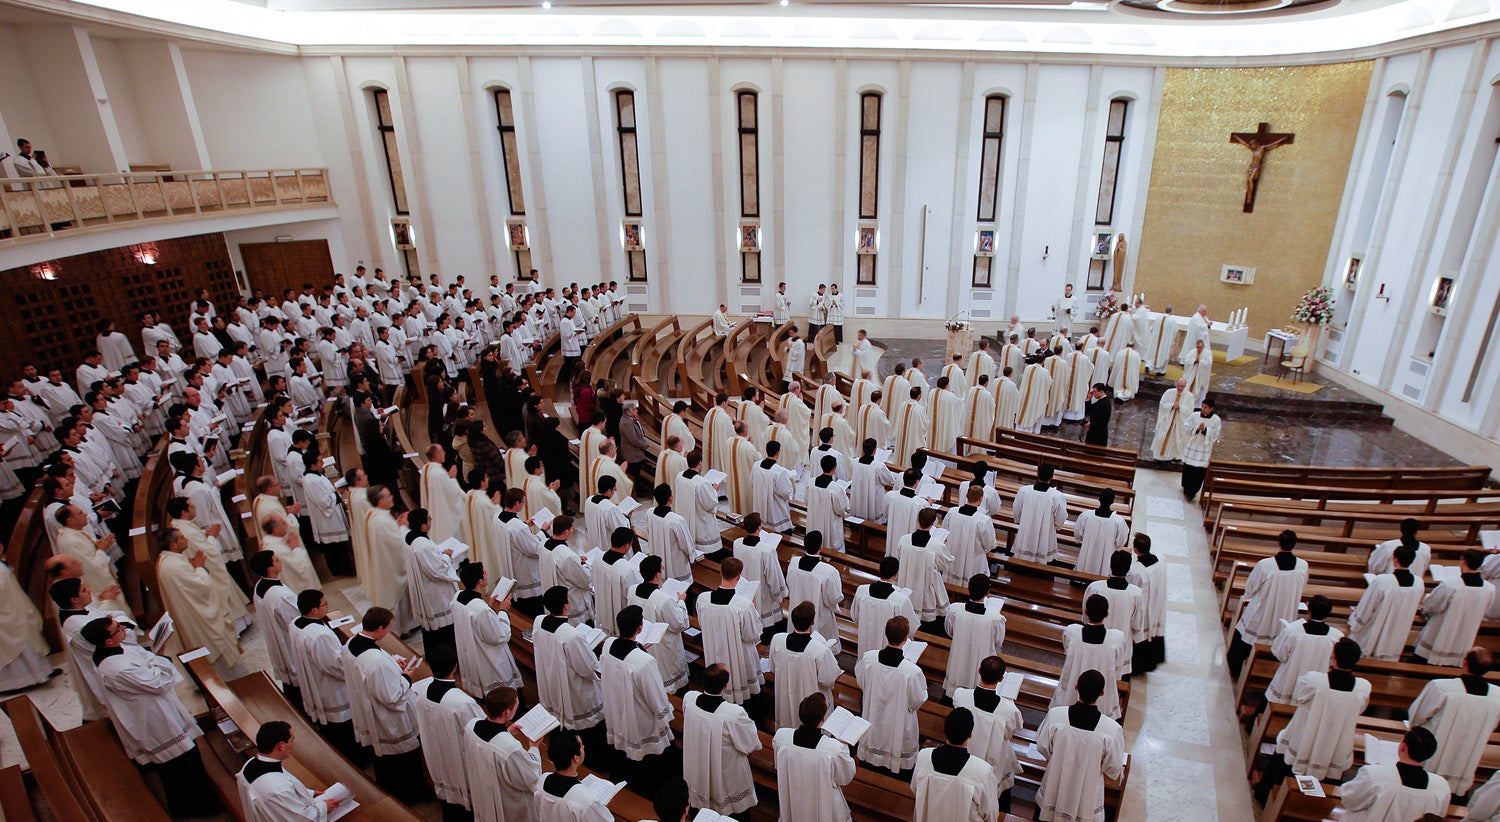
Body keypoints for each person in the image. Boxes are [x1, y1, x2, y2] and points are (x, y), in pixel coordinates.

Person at [80, 616, 220, 817]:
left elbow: (143, 656)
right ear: (108, 641)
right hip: (154, 720)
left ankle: (194, 804)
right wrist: (160, 657)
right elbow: (158, 681)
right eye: (117, 628)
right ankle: (198, 808)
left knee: (185, 760)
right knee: (181, 765)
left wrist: (152, 659)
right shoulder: (117, 668)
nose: (123, 629)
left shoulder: (112, 650)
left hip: (158, 710)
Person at [344, 607, 429, 803]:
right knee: (402, 760)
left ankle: (391, 787)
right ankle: (408, 796)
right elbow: (391, 696)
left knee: (385, 760)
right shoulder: (374, 661)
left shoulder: (352, 643)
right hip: (387, 719)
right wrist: (407, 677)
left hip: (368, 707)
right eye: (389, 628)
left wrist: (392, 662)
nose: (389, 631)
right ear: (380, 628)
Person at [1035, 670, 1126, 822]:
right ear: (1102, 693)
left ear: (1076, 687)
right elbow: (1113, 768)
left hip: (1055, 783)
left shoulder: (1056, 715)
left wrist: (1058, 758)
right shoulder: (1111, 729)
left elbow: (1043, 746)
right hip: (1087, 794)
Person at [601, 606, 675, 789]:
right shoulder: (644, 661)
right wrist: (665, 715)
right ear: (640, 629)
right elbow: (655, 696)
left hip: (617, 709)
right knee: (647, 764)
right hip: (639, 719)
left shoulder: (609, 644)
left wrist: (639, 648)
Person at [1409, 647, 1500, 794]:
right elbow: (1492, 726)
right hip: (1467, 758)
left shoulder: (1442, 687)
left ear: (1464, 662)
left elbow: (1417, 716)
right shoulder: (1497, 696)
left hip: (1432, 757)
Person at [156, 526, 245, 676]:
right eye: (182, 538)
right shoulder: (174, 565)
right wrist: (198, 568)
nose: (187, 539)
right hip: (198, 617)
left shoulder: (167, 559)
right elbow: (201, 586)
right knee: (218, 656)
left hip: (189, 613)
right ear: (173, 545)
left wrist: (192, 567)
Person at [286, 589, 362, 763]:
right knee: (343, 729)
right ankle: (353, 760)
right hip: (331, 689)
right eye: (324, 604)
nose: (327, 606)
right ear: (313, 610)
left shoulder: (296, 623)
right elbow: (335, 666)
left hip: (314, 680)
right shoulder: (319, 635)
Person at [410, 646, 484, 814]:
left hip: (438, 753)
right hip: (458, 756)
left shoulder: (423, 690)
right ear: (455, 667)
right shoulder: (461, 702)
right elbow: (477, 730)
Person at [532, 587, 606, 753]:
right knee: (587, 730)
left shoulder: (539, 621)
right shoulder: (571, 636)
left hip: (551, 681)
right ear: (566, 606)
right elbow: (587, 668)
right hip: (573, 690)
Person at [1227, 530, 1309, 679]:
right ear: (1294, 545)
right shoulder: (1303, 566)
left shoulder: (1265, 565)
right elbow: (1302, 586)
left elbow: (1251, 587)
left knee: (1244, 638)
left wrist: (1249, 596)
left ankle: (1236, 669)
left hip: (1263, 611)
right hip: (1286, 611)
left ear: (1278, 543)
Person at [855, 615, 928, 778]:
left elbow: (861, 682)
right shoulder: (911, 671)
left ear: (886, 634)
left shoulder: (869, 659)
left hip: (873, 718)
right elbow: (917, 701)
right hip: (898, 727)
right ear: (906, 637)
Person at [683, 663, 761, 815]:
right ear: (726, 686)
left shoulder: (690, 699)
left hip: (698, 765)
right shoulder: (734, 714)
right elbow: (751, 744)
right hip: (726, 771)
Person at [462, 686, 544, 822]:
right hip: (506, 802)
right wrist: (534, 747)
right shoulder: (510, 748)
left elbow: (488, 746)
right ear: (507, 713)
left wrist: (507, 732)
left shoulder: (472, 725)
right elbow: (531, 777)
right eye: (516, 705)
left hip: (483, 790)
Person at [953, 656, 1023, 812]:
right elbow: (1014, 729)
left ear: (979, 671)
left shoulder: (961, 695)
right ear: (1001, 679)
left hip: (966, 752)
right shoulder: (1008, 709)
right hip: (994, 760)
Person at [237, 721, 345, 820]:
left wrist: (309, 793)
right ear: (281, 746)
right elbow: (301, 819)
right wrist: (324, 807)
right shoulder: (278, 788)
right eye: (292, 740)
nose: (293, 744)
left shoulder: (251, 764)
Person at [1338, 727, 1451, 822]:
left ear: (1403, 747)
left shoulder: (1375, 774)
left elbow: (1349, 800)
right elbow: (1437, 816)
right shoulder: (1441, 787)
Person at [773, 693, 856, 822]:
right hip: (823, 803)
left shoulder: (781, 737)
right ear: (823, 718)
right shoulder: (834, 749)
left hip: (794, 797)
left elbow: (779, 765)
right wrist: (844, 746)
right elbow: (845, 777)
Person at [696, 558, 763, 705]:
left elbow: (702, 623)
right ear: (739, 577)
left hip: (713, 652)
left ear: (720, 572)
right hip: (738, 656)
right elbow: (752, 635)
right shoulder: (743, 605)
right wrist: (752, 608)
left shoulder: (703, 599)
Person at [912, 708, 999, 822]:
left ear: (945, 731)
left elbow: (915, 788)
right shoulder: (982, 771)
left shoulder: (924, 756)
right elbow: (990, 815)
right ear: (970, 734)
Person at [453, 561, 524, 699]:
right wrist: (503, 611)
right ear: (480, 581)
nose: (486, 574)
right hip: (488, 657)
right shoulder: (481, 609)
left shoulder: (458, 597)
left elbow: (478, 623)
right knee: (504, 696)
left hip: (472, 650)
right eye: (484, 572)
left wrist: (491, 607)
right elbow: (500, 636)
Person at [1052, 595, 1129, 720]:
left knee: (1064, 717)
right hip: (1101, 686)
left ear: (1086, 612)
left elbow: (1067, 650)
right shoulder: (1117, 638)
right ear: (1107, 614)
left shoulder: (1072, 632)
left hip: (1073, 684)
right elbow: (1118, 663)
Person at [1415, 548, 1495, 665]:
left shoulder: (1451, 585)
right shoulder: (1489, 588)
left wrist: (1427, 601)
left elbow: (1432, 605)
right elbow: (1486, 607)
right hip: (1465, 636)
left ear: (1463, 561)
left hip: (1440, 632)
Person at [769, 601, 841, 729]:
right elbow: (828, 680)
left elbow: (773, 668)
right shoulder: (820, 650)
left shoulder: (777, 640)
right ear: (812, 622)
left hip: (785, 695)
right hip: (812, 704)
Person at [1347, 544, 1423, 661]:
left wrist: (1356, 624)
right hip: (1397, 631)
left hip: (1375, 628)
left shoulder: (1383, 581)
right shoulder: (1418, 583)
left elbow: (1367, 607)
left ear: (1395, 559)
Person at [248, 551, 303, 707]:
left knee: (290, 680)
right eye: (276, 560)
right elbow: (294, 619)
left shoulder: (260, 585)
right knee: (297, 677)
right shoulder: (279, 594)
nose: (280, 561)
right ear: (270, 568)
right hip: (287, 640)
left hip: (277, 638)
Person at [629, 555, 690, 692]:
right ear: (657, 574)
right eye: (662, 569)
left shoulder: (632, 590)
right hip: (664, 649)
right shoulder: (662, 599)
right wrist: (681, 601)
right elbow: (680, 623)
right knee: (671, 681)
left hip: (644, 644)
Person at [1266, 595, 1342, 705]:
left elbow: (1280, 654)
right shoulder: (1336, 636)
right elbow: (1333, 661)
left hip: (1289, 679)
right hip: (1316, 684)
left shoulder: (1293, 630)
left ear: (1308, 610)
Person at [403, 508, 461, 650]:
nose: (431, 521)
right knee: (442, 630)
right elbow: (437, 570)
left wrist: (439, 553)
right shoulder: (423, 545)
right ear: (423, 526)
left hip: (425, 587)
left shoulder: (411, 537)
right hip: (434, 593)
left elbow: (427, 560)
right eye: (429, 519)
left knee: (431, 633)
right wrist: (447, 556)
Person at [944, 575, 1007, 698]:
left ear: (968, 589)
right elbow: (998, 642)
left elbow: (949, 631)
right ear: (987, 593)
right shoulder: (995, 619)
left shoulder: (955, 610)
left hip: (958, 656)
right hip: (982, 659)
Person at [1082, 551, 1146, 666]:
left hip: (1094, 641)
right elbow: (1137, 623)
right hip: (1120, 644)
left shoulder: (1095, 587)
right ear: (1128, 569)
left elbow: (1086, 615)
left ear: (1110, 566)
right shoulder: (1136, 593)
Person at [535, 729, 612, 822]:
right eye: (581, 746)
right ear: (576, 758)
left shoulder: (543, 779)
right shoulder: (586, 801)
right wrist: (604, 809)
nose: (583, 747)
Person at [851, 556, 918, 658]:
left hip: (865, 641)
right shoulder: (901, 600)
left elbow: (855, 617)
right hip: (889, 650)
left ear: (879, 570)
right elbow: (910, 628)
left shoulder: (862, 591)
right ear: (896, 574)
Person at [785, 531, 843, 647]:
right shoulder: (828, 571)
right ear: (821, 547)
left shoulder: (794, 563)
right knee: (819, 648)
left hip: (797, 611)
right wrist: (833, 607)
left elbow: (789, 584)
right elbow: (834, 598)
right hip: (819, 614)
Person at [733, 513, 788, 633]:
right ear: (760, 527)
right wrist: (780, 595)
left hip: (744, 591)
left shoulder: (737, 544)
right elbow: (774, 577)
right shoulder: (767, 551)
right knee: (768, 629)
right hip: (764, 598)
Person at [540, 516, 593, 627]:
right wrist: (585, 566)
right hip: (571, 601)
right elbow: (584, 580)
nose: (573, 531)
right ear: (566, 532)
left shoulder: (544, 545)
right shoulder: (567, 556)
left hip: (553, 592)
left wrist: (577, 559)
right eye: (572, 528)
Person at [1126, 534, 1167, 674]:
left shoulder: (1136, 571)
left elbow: (1131, 588)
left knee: (1141, 629)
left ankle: (1137, 667)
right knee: (1150, 628)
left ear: (1135, 549)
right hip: (1156, 601)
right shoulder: (1159, 561)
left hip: (1144, 605)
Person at [593, 527, 643, 641]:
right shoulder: (625, 569)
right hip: (620, 617)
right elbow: (635, 593)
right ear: (626, 546)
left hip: (602, 611)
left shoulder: (598, 557)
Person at [1012, 464, 1068, 564]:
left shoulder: (1024, 491)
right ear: (1052, 477)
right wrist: (1056, 526)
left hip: (1026, 533)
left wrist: (1021, 521)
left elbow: (1016, 511)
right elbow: (1061, 517)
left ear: (1037, 474)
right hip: (1046, 535)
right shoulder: (1056, 496)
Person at [1073, 489, 1130, 577]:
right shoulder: (1118, 521)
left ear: (1098, 499)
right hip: (1106, 559)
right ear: (1113, 501)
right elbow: (1120, 542)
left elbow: (1078, 534)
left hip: (1086, 557)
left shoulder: (1086, 516)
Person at [420, 444, 464, 543]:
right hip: (442, 512)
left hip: (433, 508)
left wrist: (447, 476)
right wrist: (452, 477)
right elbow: (453, 492)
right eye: (442, 451)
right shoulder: (439, 473)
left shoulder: (427, 469)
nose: (444, 453)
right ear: (437, 455)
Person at [1179, 397, 1221, 500]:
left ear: (1211, 409)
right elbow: (1186, 427)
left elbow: (1216, 435)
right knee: (1188, 468)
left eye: (1205, 407)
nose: (1202, 409)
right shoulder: (1194, 416)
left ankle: (1192, 492)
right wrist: (1197, 428)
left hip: (1203, 449)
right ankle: (1186, 487)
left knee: (1198, 472)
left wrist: (1206, 430)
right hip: (1193, 446)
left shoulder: (1216, 420)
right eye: (1202, 406)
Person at [883, 469, 929, 556]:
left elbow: (885, 513)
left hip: (893, 535)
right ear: (917, 482)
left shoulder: (891, 496)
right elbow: (928, 522)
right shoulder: (921, 503)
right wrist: (929, 506)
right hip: (909, 544)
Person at [752, 440, 795, 532]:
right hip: (776, 512)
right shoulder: (779, 471)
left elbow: (752, 482)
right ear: (778, 452)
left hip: (760, 505)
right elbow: (786, 493)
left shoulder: (756, 466)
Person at [1149, 379, 1195, 463]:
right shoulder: (1169, 392)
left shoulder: (1190, 396)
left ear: (1185, 386)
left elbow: (1190, 409)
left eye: (1182, 386)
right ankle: (1160, 455)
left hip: (1179, 422)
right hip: (1167, 420)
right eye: (1178, 386)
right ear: (1176, 385)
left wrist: (1180, 407)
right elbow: (1162, 404)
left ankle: (1174, 455)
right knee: (1162, 435)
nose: (1180, 388)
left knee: (1177, 438)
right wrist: (1172, 406)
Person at [891, 386, 929, 468]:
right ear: (919, 396)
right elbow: (925, 425)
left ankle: (898, 467)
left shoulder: (903, 405)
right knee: (910, 452)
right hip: (913, 438)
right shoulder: (919, 409)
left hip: (902, 437)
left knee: (902, 452)